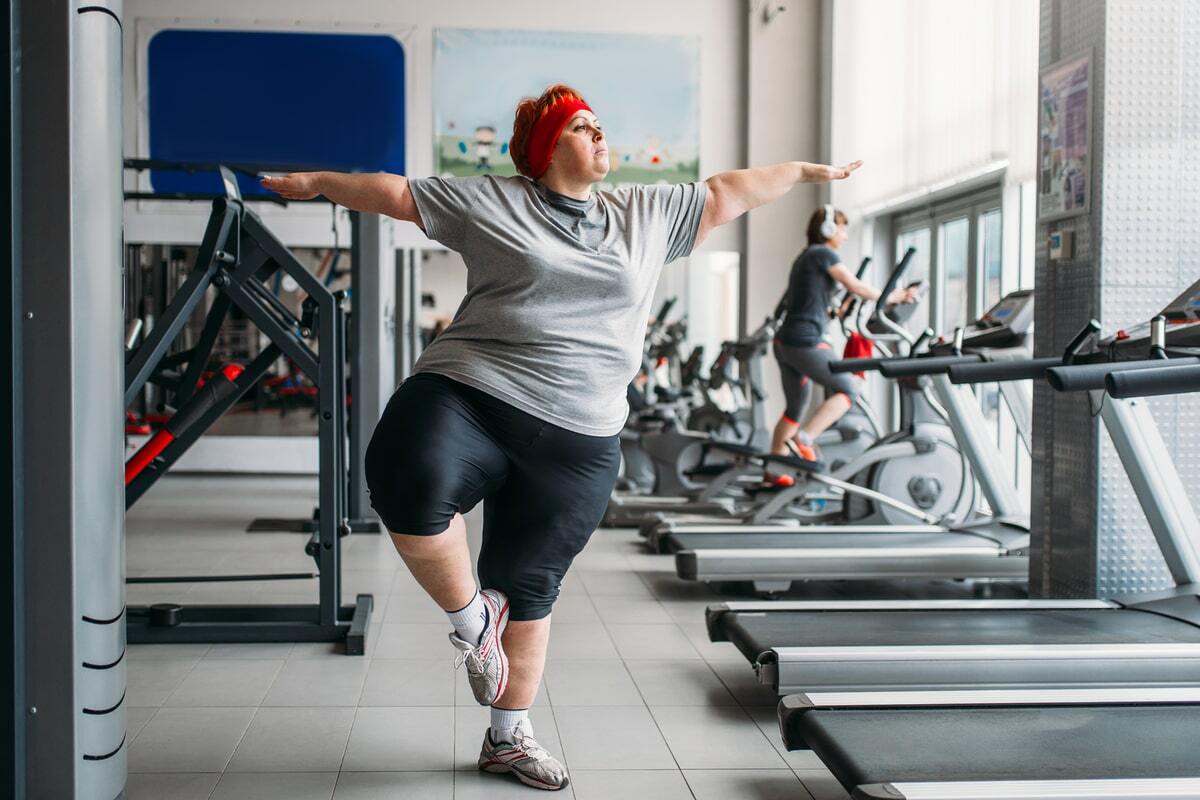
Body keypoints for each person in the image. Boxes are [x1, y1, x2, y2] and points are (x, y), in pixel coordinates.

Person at [263, 83, 862, 792]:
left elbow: (730, 190)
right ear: (548, 148)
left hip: (581, 434)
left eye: (600, 125)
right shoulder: (492, 201)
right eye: (582, 127)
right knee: (405, 474)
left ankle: (508, 740)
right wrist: (312, 185)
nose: (600, 136)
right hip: (472, 393)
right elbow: (392, 193)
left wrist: (804, 174)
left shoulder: (646, 212)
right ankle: (471, 622)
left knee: (530, 587)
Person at [769, 205, 917, 478]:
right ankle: (804, 440)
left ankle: (775, 474)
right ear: (827, 229)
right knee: (849, 389)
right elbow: (855, 285)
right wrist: (896, 296)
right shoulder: (822, 253)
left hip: (785, 342)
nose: (845, 235)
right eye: (842, 228)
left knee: (793, 409)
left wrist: (838, 311)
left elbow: (816, 304)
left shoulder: (805, 258)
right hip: (805, 342)